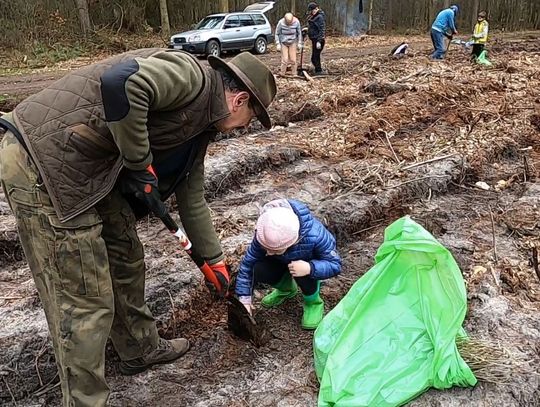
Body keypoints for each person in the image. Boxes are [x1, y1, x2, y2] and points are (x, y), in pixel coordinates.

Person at [0, 49, 276, 406]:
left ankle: (138, 347)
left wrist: (215, 261)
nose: (245, 127)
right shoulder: (191, 76)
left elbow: (192, 200)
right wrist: (140, 163)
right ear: (239, 100)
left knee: (126, 252)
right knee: (84, 297)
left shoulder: (201, 129)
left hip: (90, 168)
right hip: (43, 161)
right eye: (251, 119)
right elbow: (121, 83)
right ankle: (86, 401)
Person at [235, 199, 341, 330]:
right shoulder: (265, 232)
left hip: (305, 267)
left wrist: (310, 268)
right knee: (258, 267)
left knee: (302, 270)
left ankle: (313, 302)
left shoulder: (316, 236)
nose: (268, 252)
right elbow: (247, 266)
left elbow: (335, 265)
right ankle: (286, 289)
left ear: (293, 241)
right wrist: (244, 300)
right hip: (282, 263)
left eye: (274, 250)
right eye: (266, 248)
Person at [275, 12, 303, 76]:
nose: (289, 24)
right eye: (287, 23)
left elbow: (299, 33)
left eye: (290, 23)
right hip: (283, 42)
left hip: (293, 42)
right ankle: (282, 73)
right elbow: (277, 33)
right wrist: (277, 44)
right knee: (285, 59)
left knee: (293, 60)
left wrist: (299, 43)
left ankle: (294, 73)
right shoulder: (281, 22)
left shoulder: (296, 22)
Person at [306, 2, 326, 74]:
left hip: (318, 40)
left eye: (313, 10)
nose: (312, 12)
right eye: (311, 11)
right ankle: (317, 70)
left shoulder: (320, 17)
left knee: (315, 57)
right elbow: (313, 27)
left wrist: (319, 41)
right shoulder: (314, 16)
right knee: (314, 57)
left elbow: (322, 29)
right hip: (314, 39)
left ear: (317, 8)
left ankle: (319, 71)